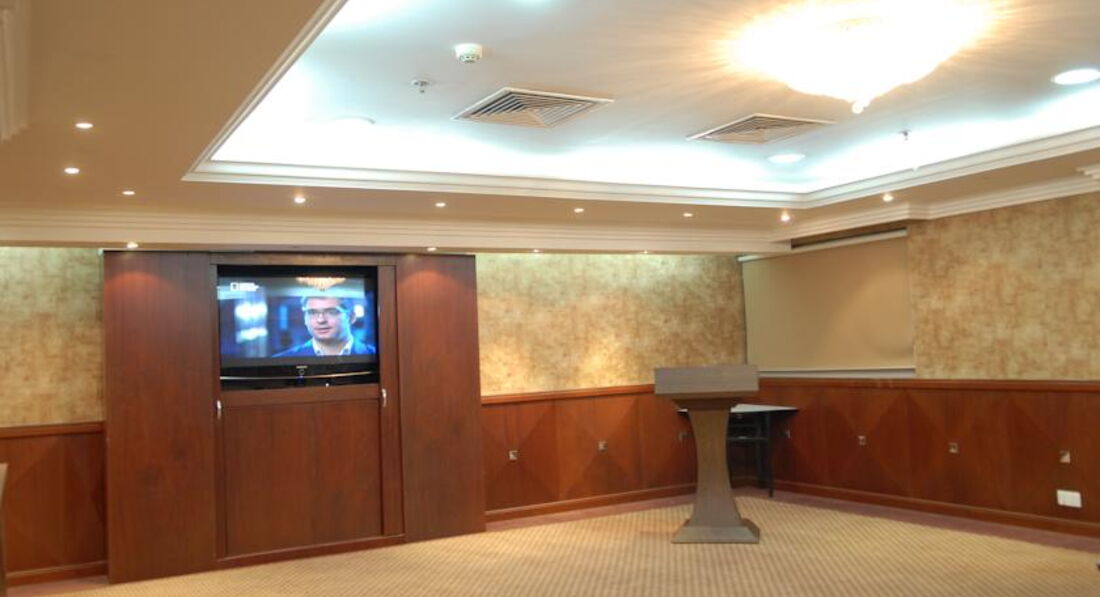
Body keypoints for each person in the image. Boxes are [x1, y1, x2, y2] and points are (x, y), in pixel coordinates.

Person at [274, 296, 375, 357]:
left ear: (351, 317)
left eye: (331, 312)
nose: (321, 320)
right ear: (305, 319)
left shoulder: (375, 355)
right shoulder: (282, 360)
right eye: (312, 312)